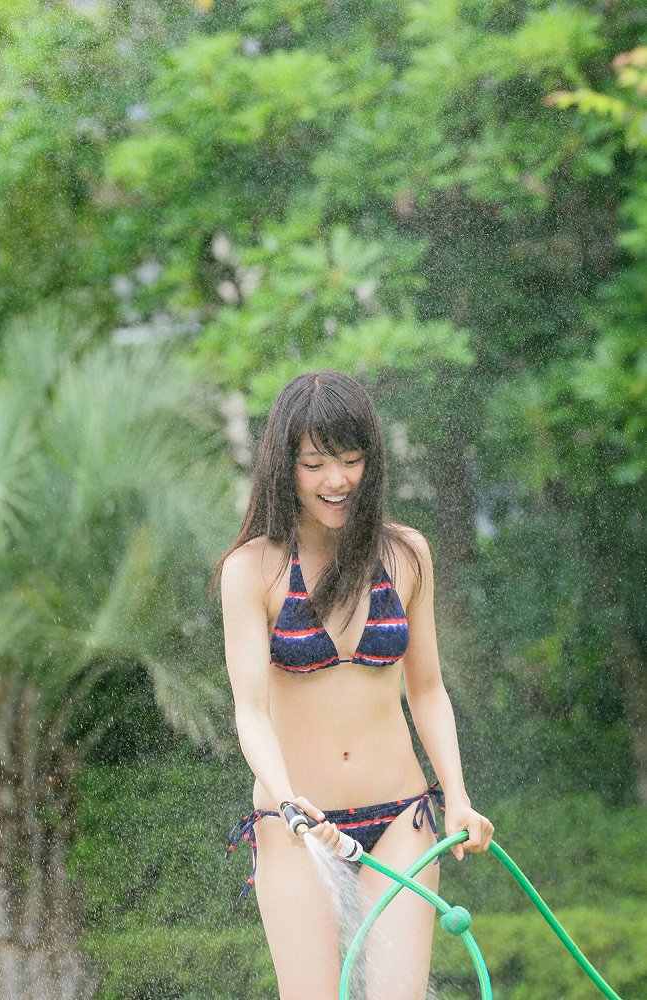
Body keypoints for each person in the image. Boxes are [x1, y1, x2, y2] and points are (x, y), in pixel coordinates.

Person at [213, 370, 494, 999]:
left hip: (400, 819)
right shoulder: (251, 570)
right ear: (284, 467)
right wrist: (287, 800)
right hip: (295, 824)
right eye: (314, 465)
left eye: (350, 460)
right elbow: (250, 711)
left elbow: (427, 690)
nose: (336, 481)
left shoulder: (406, 555)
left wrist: (457, 795)